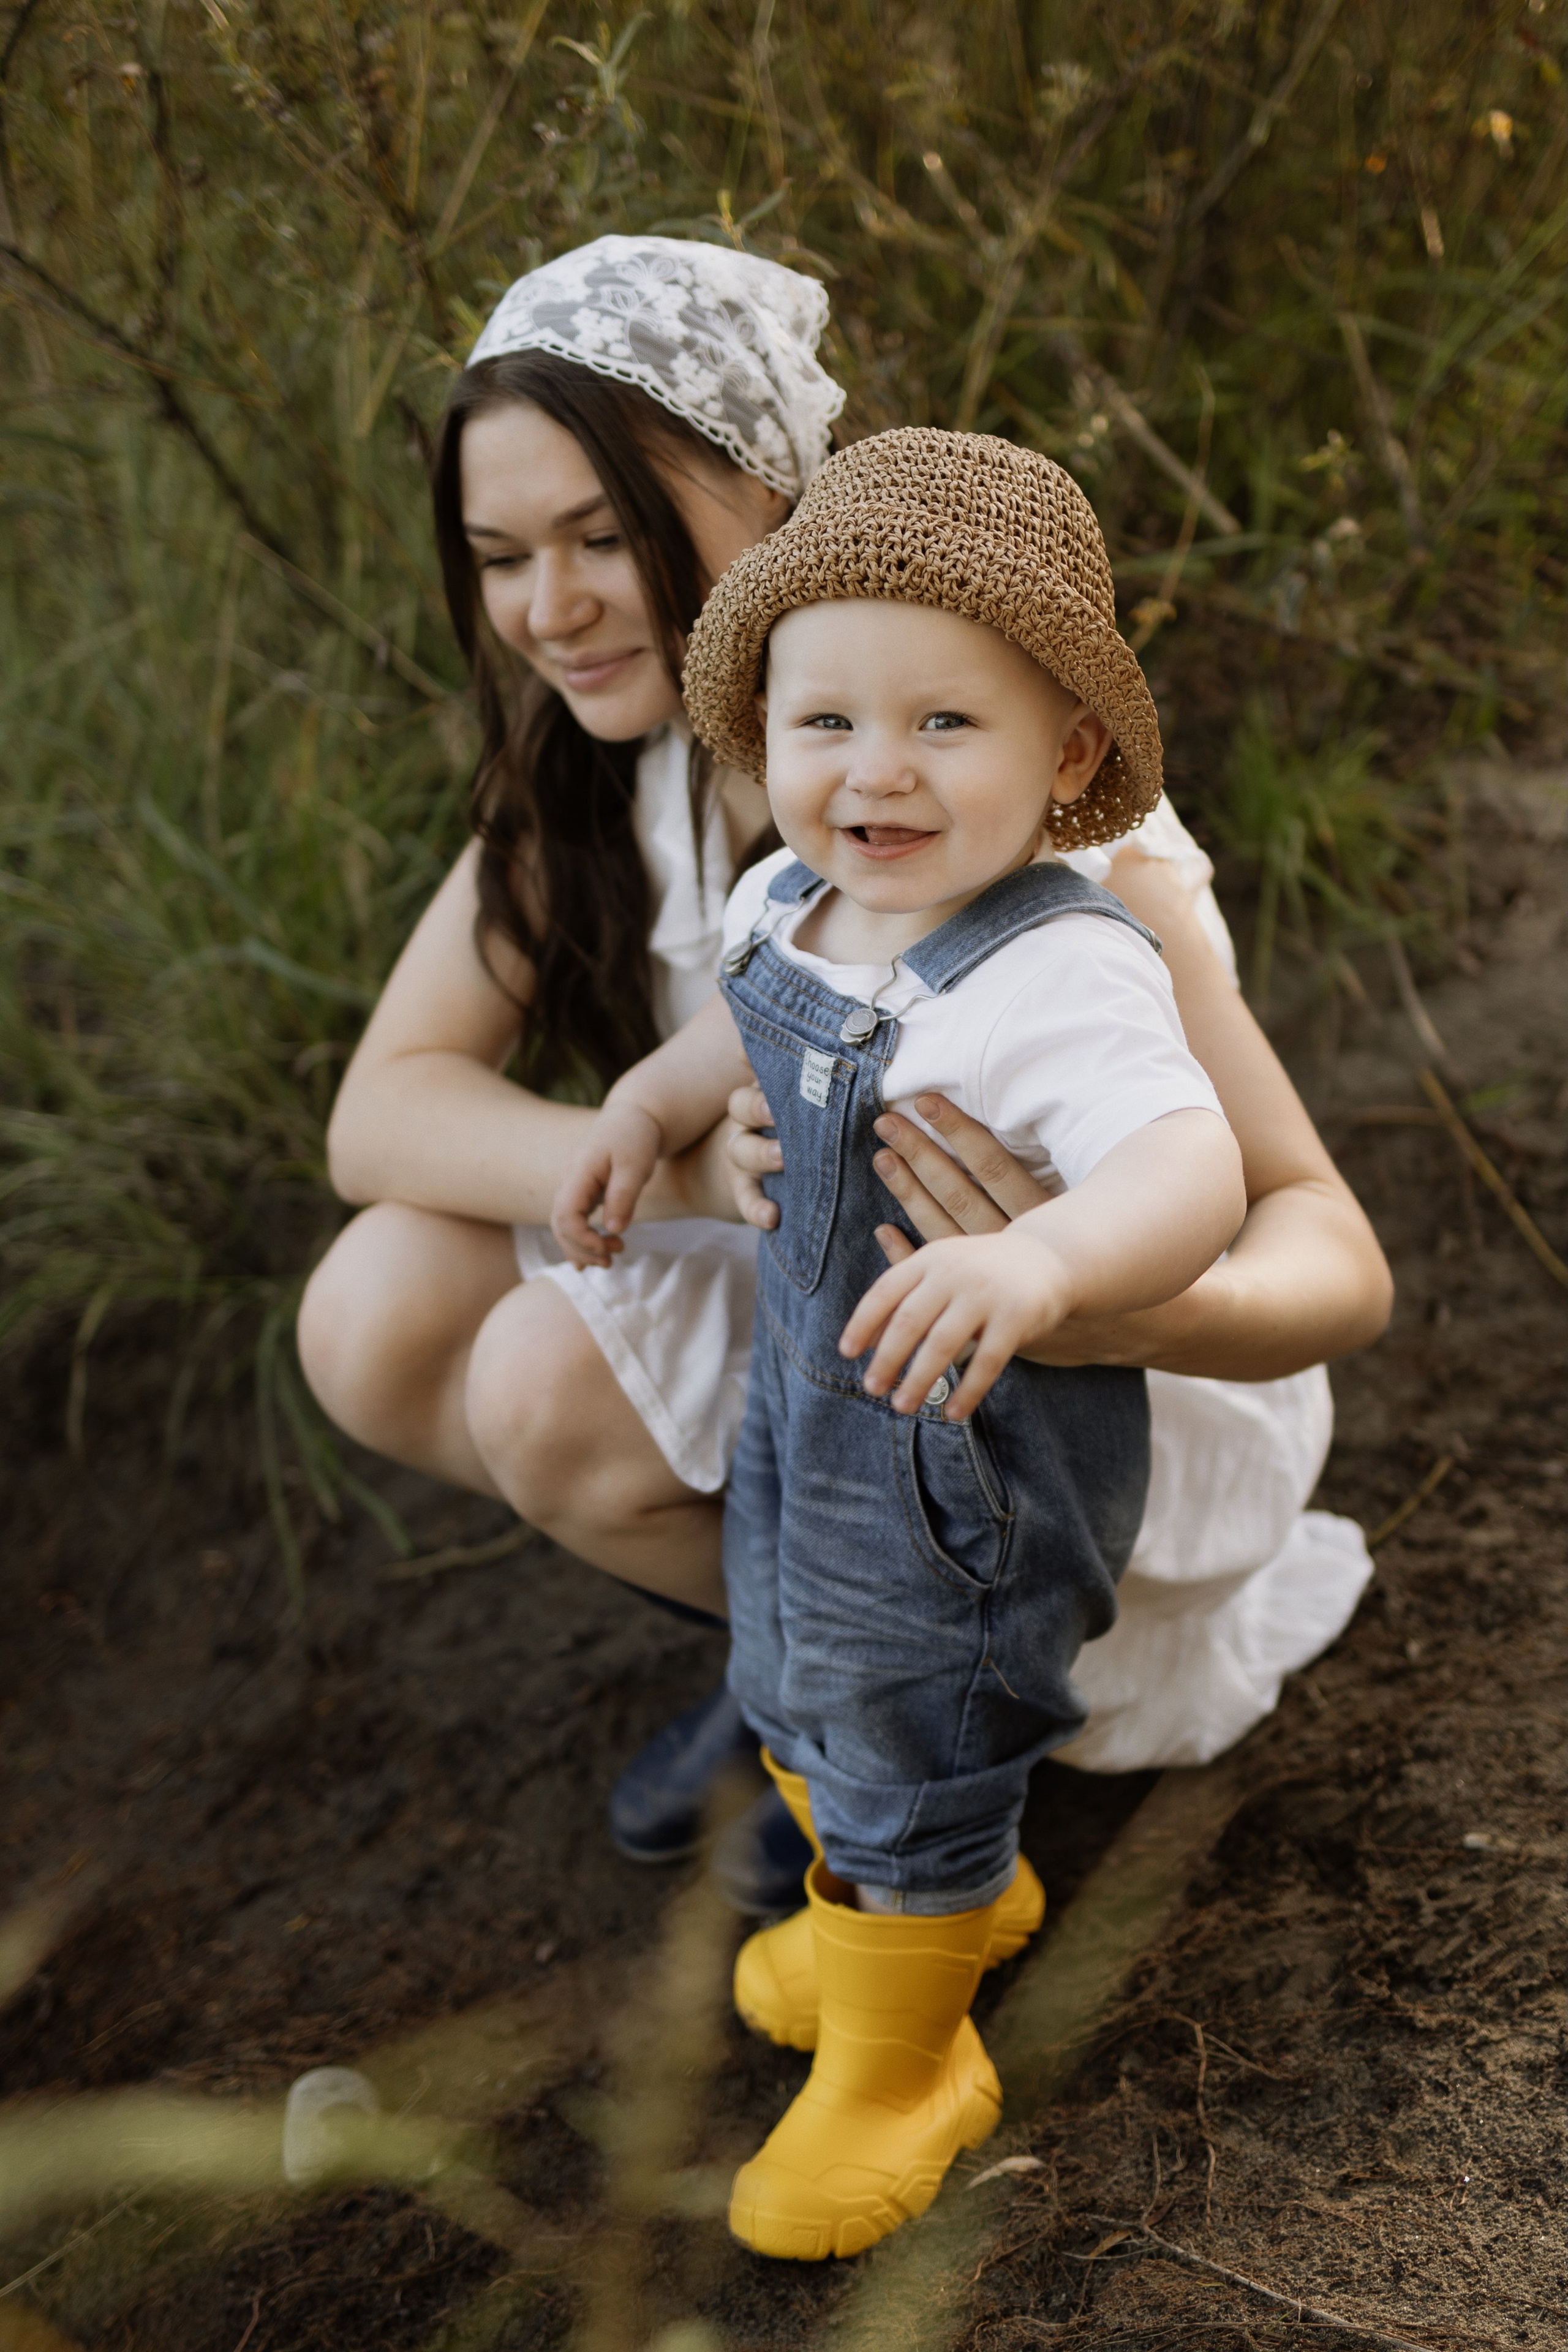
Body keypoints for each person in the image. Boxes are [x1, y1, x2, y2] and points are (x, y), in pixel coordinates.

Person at [296, 236, 1392, 1910]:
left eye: (607, 536)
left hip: (1063, 1383)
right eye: (502, 555)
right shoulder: (610, 777)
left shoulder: (1037, 841)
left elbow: (1330, 1246)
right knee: (376, 1302)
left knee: (537, 1370)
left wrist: (1113, 1300)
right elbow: (379, 1116)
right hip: (842, 1322)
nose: (552, 608)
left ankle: (942, 1725)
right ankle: (806, 1689)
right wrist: (679, 1153)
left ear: (776, 500)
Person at [549, 426, 1250, 2257]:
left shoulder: (1061, 968)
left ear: (1067, 752)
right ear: (766, 731)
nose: (877, 774)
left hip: (971, 1451)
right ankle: (927, 1903)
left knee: (906, 1712)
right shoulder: (796, 897)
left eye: (946, 724)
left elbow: (1192, 1161)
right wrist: (642, 1105)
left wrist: (1052, 1266)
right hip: (813, 1400)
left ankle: (906, 2055)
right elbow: (742, 1022)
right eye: (827, 724)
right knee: (790, 1657)